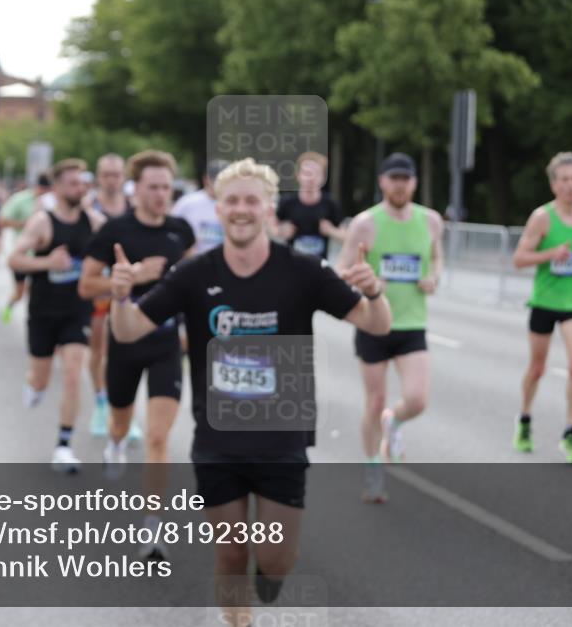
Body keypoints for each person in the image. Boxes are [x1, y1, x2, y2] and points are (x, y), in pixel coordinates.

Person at [109, 157, 391, 624]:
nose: (240, 209)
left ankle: (271, 574)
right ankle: (237, 620)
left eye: (251, 201)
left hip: (283, 437)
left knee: (277, 560)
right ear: (218, 209)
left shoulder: (302, 270)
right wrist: (120, 297)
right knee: (231, 553)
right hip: (219, 439)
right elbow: (129, 330)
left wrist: (375, 292)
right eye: (231, 201)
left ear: (267, 210)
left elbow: (376, 325)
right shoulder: (194, 274)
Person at [79, 150, 195, 559]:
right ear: (136, 188)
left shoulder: (181, 232)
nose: (161, 194)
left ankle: (152, 528)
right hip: (125, 341)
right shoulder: (116, 230)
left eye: (167, 187)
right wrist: (127, 279)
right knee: (120, 422)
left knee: (160, 436)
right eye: (153, 187)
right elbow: (85, 286)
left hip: (166, 343)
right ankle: (114, 443)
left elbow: (193, 282)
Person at [337, 152, 443, 502]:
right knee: (374, 400)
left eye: (406, 178)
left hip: (412, 322)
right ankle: (372, 473)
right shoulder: (366, 223)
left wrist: (434, 276)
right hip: (373, 323)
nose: (400, 184)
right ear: (382, 182)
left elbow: (437, 256)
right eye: (393, 178)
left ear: (414, 182)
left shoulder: (430, 221)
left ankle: (393, 422)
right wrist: (364, 280)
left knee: (417, 399)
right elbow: (341, 270)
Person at [9, 159, 105, 473]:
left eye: (83, 182)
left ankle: (63, 445)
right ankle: (34, 385)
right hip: (43, 312)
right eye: (74, 183)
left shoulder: (93, 221)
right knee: (40, 378)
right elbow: (15, 259)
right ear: (59, 187)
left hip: (77, 310)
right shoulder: (42, 222)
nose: (81, 188)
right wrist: (48, 262)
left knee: (74, 372)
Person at [513, 152, 572, 464]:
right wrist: (551, 253)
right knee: (538, 368)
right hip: (544, 302)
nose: (570, 186)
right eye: (564, 180)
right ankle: (524, 420)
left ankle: (570, 432)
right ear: (553, 185)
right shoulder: (542, 218)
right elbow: (519, 259)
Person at [85, 154, 131, 436]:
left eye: (117, 174)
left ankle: (123, 408)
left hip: (127, 286)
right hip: (100, 285)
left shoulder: (133, 207)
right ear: (99, 177)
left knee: (124, 350)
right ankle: (101, 402)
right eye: (107, 174)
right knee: (99, 347)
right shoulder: (90, 208)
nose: (112, 180)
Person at [0, 174, 51, 323]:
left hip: (44, 256)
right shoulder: (20, 199)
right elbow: (2, 221)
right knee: (20, 292)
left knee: (38, 292)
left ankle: (35, 319)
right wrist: (26, 225)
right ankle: (10, 306)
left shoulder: (54, 202)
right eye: (43, 190)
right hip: (23, 255)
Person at [277, 151, 347, 259]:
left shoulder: (330, 203)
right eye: (307, 173)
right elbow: (269, 230)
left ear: (323, 178)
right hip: (291, 266)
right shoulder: (287, 202)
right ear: (298, 175)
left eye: (316, 173)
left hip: (319, 267)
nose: (311, 178)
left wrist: (331, 231)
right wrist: (281, 231)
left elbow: (346, 236)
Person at [171, 159, 227, 254]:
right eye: (217, 179)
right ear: (206, 179)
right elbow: (171, 228)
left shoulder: (235, 205)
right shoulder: (187, 202)